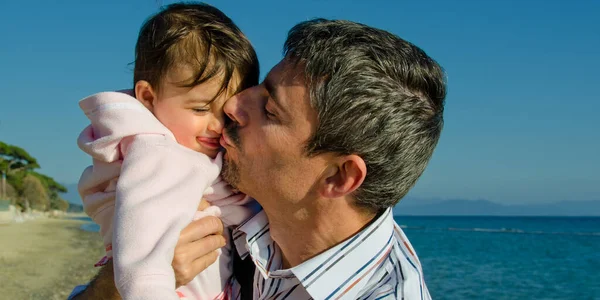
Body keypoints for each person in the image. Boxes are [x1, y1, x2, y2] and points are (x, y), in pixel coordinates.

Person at [72, 18, 446, 300]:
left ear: (339, 177)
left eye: (269, 109)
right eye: (257, 88)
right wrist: (116, 287)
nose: (232, 105)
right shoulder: (245, 210)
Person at [75, 3, 259, 300]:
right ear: (148, 97)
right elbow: (142, 258)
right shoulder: (158, 154)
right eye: (200, 108)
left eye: (226, 113)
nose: (217, 125)